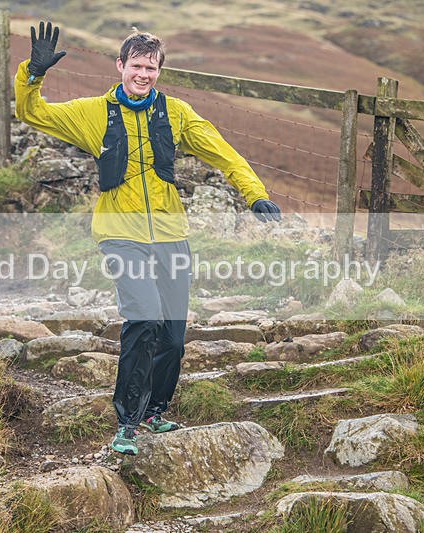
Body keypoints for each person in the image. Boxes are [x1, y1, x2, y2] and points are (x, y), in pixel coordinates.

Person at [15, 21, 281, 455]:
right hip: (120, 236)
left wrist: (255, 196)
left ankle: (157, 412)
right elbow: (32, 112)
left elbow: (223, 152)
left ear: (159, 71)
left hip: (171, 236)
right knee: (144, 320)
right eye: (136, 65)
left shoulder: (176, 114)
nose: (143, 74)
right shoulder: (91, 113)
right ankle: (127, 423)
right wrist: (33, 74)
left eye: (151, 67)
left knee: (173, 338)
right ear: (120, 65)